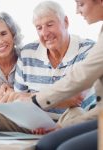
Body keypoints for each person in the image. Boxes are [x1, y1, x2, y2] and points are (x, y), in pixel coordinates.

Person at [0, 0, 96, 133]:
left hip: (69, 120)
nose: (45, 33)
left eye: (50, 25)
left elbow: (77, 99)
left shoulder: (88, 50)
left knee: (77, 113)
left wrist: (25, 97)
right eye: (39, 28)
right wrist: (10, 96)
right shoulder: (28, 53)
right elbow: (18, 100)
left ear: (66, 22)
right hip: (32, 123)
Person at [34, 0, 103, 149]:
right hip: (100, 116)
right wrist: (66, 126)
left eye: (81, 3)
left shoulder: (89, 47)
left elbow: (82, 75)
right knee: (46, 144)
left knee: (66, 148)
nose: (77, 11)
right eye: (39, 27)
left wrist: (35, 100)